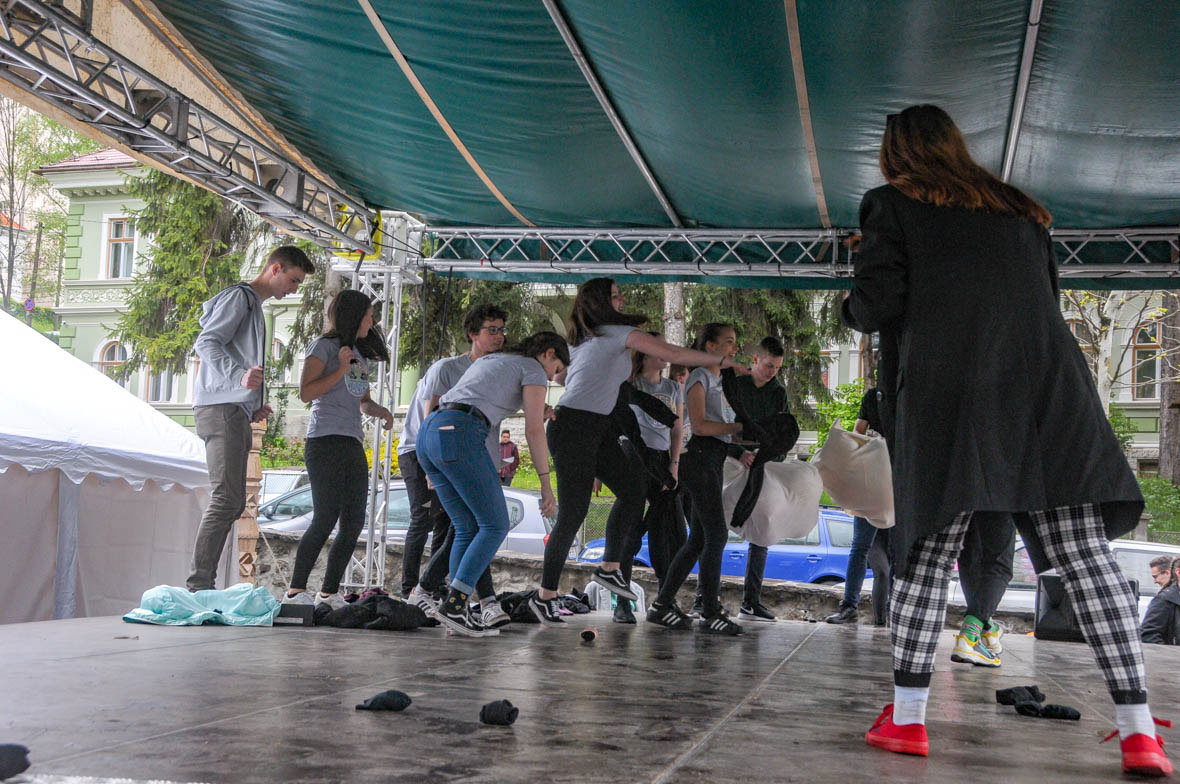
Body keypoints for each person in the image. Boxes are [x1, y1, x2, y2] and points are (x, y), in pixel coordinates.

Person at [846, 105, 1163, 776]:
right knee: (1086, 556)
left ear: (895, 153)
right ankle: (1140, 733)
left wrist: (855, 282)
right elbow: (1041, 303)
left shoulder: (889, 206)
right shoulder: (1023, 213)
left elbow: (877, 306)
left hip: (951, 397)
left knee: (928, 555)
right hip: (1048, 392)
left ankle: (908, 720)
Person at [532, 279, 749, 626]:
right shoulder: (616, 334)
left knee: (634, 487)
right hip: (573, 427)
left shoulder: (588, 340)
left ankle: (609, 567)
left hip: (599, 428)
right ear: (601, 303)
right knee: (573, 514)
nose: (622, 299)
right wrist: (721, 361)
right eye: (615, 296)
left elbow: (562, 379)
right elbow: (674, 354)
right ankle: (545, 596)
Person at [416, 332, 567, 636]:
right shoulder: (533, 368)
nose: (553, 378)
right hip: (461, 432)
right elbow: (534, 431)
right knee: (496, 525)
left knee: (467, 526)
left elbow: (485, 397)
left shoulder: (497, 359)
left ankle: (456, 610)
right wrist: (546, 485)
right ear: (549, 354)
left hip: (430, 432)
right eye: (557, 369)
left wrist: (537, 410)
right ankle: (455, 605)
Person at [186, 245, 313, 591]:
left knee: (234, 501)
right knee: (226, 498)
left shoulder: (253, 306)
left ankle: (203, 582)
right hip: (221, 408)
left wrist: (252, 401)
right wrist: (239, 378)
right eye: (293, 280)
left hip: (234, 408)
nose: (294, 289)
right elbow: (206, 343)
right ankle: (199, 584)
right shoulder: (239, 298)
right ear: (275, 268)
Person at [282, 289, 394, 608]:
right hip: (324, 440)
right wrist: (340, 369)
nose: (372, 322)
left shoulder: (359, 355)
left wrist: (381, 411)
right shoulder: (324, 347)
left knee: (354, 520)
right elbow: (306, 393)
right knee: (325, 516)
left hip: (351, 441)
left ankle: (328, 593)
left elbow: (362, 401)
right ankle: (295, 590)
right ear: (353, 317)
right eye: (368, 316)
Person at [401, 305, 508, 629]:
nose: (499, 337)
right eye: (491, 330)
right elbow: (430, 415)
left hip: (472, 457)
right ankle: (430, 591)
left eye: (502, 330)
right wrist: (432, 470)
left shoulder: (498, 371)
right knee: (461, 526)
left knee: (469, 527)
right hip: (433, 454)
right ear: (472, 334)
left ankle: (447, 595)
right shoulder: (447, 368)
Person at [648, 323, 747, 636]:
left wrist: (741, 438)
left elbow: (722, 424)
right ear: (710, 346)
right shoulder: (700, 376)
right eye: (728, 342)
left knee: (700, 539)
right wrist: (736, 429)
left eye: (735, 342)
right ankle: (710, 610)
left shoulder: (720, 379)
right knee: (716, 534)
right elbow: (701, 425)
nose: (734, 348)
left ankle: (663, 603)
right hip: (699, 458)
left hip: (714, 458)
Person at [613, 333, 686, 624]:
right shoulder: (630, 386)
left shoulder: (673, 388)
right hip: (632, 457)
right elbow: (614, 425)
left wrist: (674, 464)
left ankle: (665, 600)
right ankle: (622, 603)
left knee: (665, 531)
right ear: (644, 354)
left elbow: (677, 429)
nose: (664, 355)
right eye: (658, 350)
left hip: (662, 461)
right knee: (629, 531)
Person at [825, 385, 892, 627]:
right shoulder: (874, 396)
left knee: (879, 554)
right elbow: (857, 433)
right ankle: (850, 607)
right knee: (862, 547)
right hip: (874, 482)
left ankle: (881, 613)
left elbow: (859, 432)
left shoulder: (898, 394)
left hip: (894, 484)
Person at [950, 514, 1015, 667]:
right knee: (999, 567)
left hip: (963, 504)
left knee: (971, 562)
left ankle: (988, 629)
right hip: (998, 503)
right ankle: (968, 638)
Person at [1142, 555, 1180, 645]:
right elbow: (1149, 635)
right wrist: (1172, 652)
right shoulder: (1164, 600)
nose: (1155, 581)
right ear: (1178, 572)